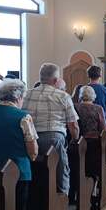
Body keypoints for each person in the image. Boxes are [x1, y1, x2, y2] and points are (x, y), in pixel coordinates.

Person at [0, 79, 39, 210]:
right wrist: (32, 157)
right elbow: (33, 151)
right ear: (18, 97)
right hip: (18, 171)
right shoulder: (23, 117)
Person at [23, 63, 80, 195]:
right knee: (61, 168)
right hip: (53, 140)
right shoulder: (63, 96)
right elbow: (73, 125)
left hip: (29, 139)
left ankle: (32, 196)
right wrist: (74, 139)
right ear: (55, 80)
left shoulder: (26, 94)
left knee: (35, 169)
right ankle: (62, 195)